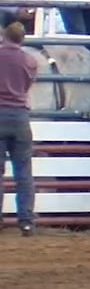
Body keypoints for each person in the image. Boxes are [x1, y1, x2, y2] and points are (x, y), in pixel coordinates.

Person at [0, 21, 36, 235]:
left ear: (5, 36)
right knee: (23, 172)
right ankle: (26, 221)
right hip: (20, 116)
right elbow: (27, 85)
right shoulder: (30, 61)